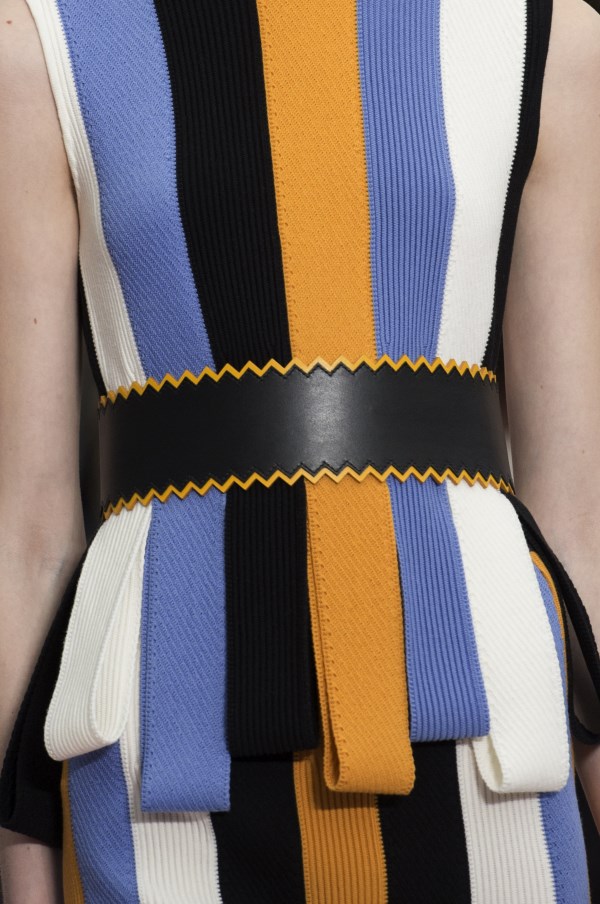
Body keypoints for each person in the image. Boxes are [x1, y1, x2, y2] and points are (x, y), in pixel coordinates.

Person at [1, 0, 600, 901]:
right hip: (156, 753)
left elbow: (579, 513)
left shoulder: (542, 32)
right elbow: (27, 534)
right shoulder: (44, 37)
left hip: (491, 747)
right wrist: (21, 850)